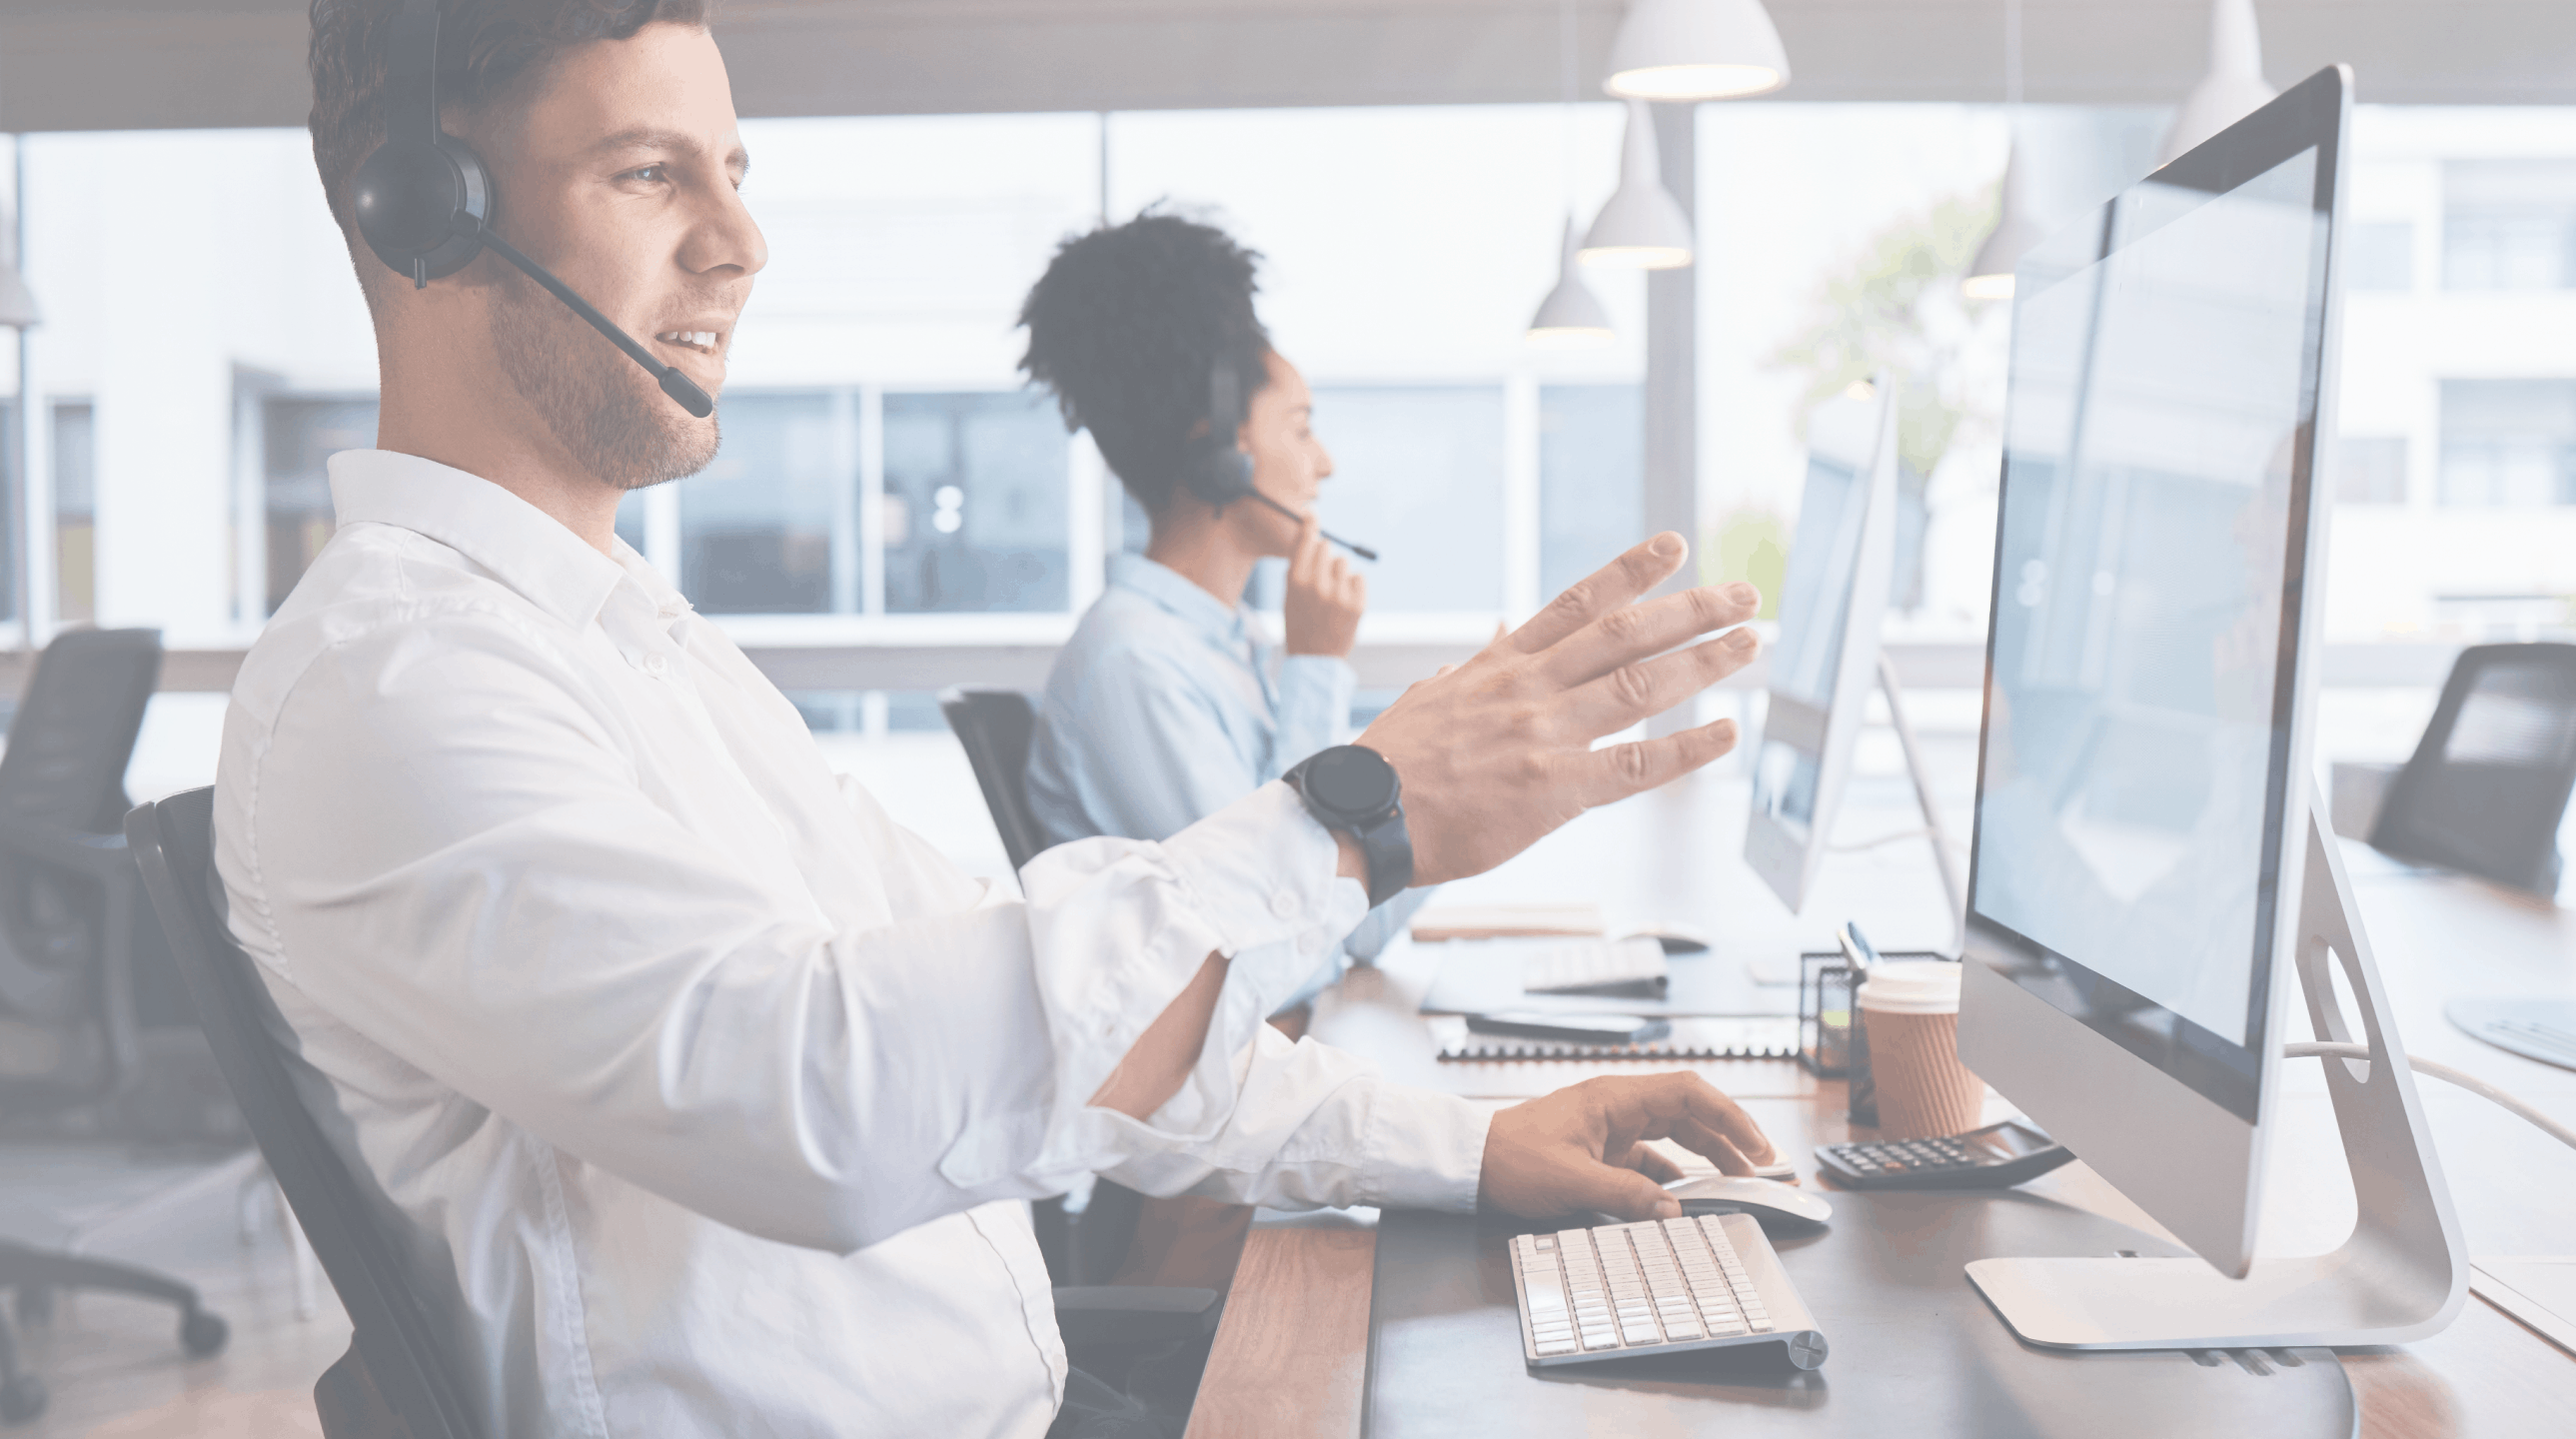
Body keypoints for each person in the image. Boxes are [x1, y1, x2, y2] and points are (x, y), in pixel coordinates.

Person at [229, 3, 1769, 1434]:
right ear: (422, 211)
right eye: (650, 174)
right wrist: (1358, 814)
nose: (743, 243)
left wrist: (1466, 1149)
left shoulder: (639, 646)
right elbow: (820, 1101)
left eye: (738, 173)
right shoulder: (392, 685)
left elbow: (1028, 1012)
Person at [1018, 211, 1423, 1015]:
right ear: (1222, 454)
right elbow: (1280, 937)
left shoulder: (1216, 647)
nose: (1324, 463)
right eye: (1301, 429)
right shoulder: (1133, 664)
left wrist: (1480, 768)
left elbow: (1353, 928)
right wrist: (1316, 666)